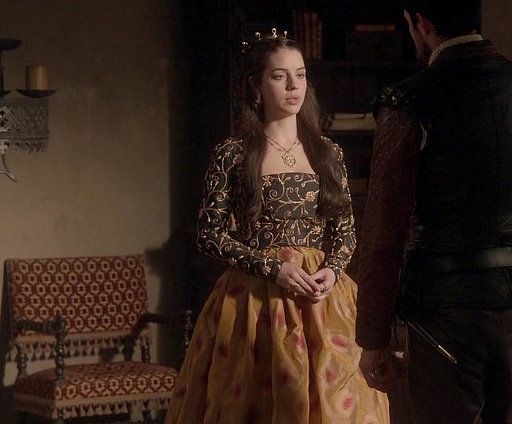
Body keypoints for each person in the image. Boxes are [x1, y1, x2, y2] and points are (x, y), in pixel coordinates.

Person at [354, 0, 512, 423]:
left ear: (421, 22)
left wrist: (373, 338)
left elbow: (384, 230)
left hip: (444, 311)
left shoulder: (409, 101)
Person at [165, 30, 389, 424]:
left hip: (321, 298)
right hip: (256, 301)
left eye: (300, 75)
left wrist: (333, 271)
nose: (293, 86)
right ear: (256, 84)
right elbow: (209, 234)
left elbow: (345, 230)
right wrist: (274, 268)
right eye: (279, 76)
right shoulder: (234, 154)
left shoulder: (328, 152)